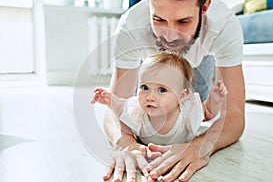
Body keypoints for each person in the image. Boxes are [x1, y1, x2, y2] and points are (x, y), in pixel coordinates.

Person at [102, 0, 245, 182]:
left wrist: (200, 146)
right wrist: (125, 142)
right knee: (142, 109)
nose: (169, 37)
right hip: (152, 67)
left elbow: (234, 115)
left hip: (198, 63)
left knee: (194, 107)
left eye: (183, 22)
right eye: (159, 19)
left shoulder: (224, 26)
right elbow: (115, 109)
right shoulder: (131, 25)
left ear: (204, 7)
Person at [92, 51, 228, 146]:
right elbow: (121, 107)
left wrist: (214, 101)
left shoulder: (187, 110)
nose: (150, 97)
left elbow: (208, 113)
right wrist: (108, 99)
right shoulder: (138, 111)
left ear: (182, 96)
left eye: (162, 90)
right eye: (144, 87)